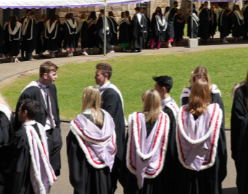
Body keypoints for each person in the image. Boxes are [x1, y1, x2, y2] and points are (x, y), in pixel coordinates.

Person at [175, 78, 227, 194]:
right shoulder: (215, 113)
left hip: (188, 166)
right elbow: (220, 143)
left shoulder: (182, 113)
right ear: (206, 94)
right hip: (210, 169)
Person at [66, 86, 118, 194]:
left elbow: (74, 150)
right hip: (105, 169)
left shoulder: (80, 121)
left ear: (85, 97)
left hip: (87, 171)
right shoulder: (107, 117)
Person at [16, 62, 63, 176]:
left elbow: (55, 108)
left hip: (54, 133)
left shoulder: (52, 87)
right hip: (40, 134)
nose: (56, 77)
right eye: (54, 74)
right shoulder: (29, 92)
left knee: (51, 171)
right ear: (45, 75)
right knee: (39, 170)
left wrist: (58, 130)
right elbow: (21, 116)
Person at [0, 99, 56, 194]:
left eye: (19, 110)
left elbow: (12, 161)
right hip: (36, 174)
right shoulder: (40, 127)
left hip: (25, 180)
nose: (17, 112)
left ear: (25, 112)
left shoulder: (21, 136)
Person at [125, 89, 175, 194]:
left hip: (136, 174)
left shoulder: (135, 120)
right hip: (159, 174)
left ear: (145, 102)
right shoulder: (166, 121)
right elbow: (170, 149)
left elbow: (127, 148)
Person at [95, 62, 126, 194]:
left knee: (113, 174)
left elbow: (106, 118)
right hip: (108, 138)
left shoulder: (111, 94)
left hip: (112, 140)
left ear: (105, 76)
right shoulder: (103, 90)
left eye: (97, 75)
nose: (94, 77)